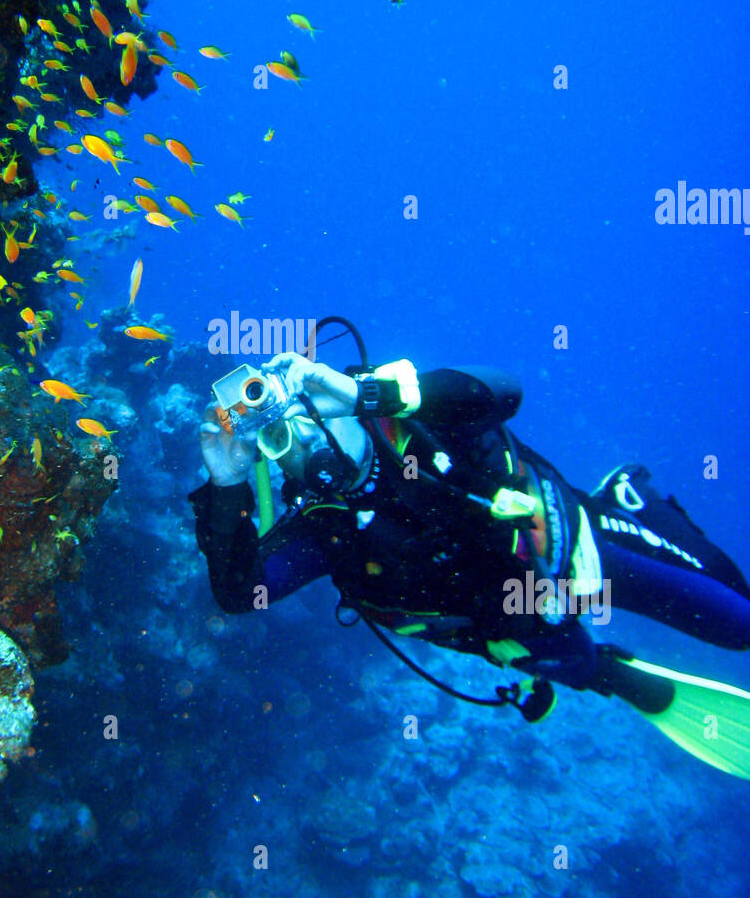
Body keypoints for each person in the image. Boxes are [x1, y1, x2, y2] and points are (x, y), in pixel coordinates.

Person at [191, 330, 750, 779]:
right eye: (279, 443)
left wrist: (370, 395)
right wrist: (226, 486)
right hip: (507, 627)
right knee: (575, 663)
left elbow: (506, 392)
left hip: (573, 553)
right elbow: (240, 592)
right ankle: (600, 668)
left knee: (737, 623)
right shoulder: (323, 528)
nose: (305, 446)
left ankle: (629, 498)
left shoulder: (404, 416)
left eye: (308, 418)